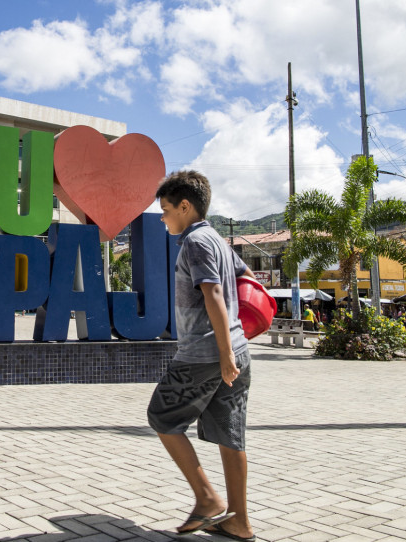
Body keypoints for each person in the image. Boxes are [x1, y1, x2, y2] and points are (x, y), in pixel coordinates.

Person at [147, 170, 256, 541]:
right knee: (230, 435)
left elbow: (211, 294)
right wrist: (232, 351)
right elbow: (247, 279)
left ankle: (208, 499)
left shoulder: (195, 241)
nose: (162, 217)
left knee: (161, 416)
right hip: (237, 350)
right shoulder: (220, 242)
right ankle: (239, 521)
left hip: (205, 354)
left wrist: (223, 354)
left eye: (165, 209)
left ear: (184, 206)